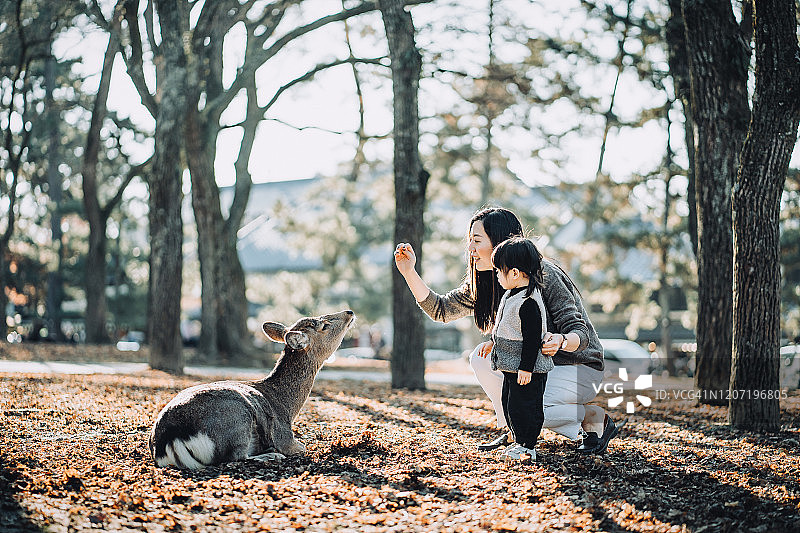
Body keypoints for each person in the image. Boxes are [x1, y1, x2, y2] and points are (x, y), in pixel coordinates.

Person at [394, 206, 620, 454]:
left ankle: (593, 417)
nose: (470, 249)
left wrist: (561, 340)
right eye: (469, 241)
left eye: (476, 240)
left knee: (528, 408)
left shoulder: (544, 274)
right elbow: (442, 309)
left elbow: (580, 332)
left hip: (578, 368)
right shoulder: (490, 279)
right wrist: (409, 272)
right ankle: (515, 432)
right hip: (537, 366)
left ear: (500, 241)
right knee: (482, 359)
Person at [489, 237, 552, 463]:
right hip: (512, 368)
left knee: (526, 408)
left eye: (499, 271)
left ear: (515, 273)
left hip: (527, 370)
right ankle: (518, 441)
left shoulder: (529, 301)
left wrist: (526, 368)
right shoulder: (511, 295)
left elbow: (532, 339)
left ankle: (528, 446)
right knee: (511, 404)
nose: (496, 275)